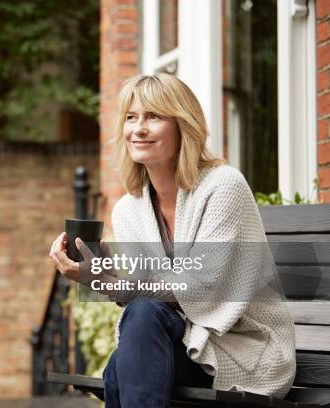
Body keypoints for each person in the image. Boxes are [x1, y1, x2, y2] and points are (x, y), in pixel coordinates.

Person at [48, 73, 296, 407]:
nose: (139, 128)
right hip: (184, 342)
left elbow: (200, 289)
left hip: (243, 349)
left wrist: (107, 283)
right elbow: (149, 296)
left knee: (119, 368)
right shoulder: (128, 210)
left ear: (183, 125)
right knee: (131, 340)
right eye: (131, 118)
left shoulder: (223, 187)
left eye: (154, 116)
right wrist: (105, 271)